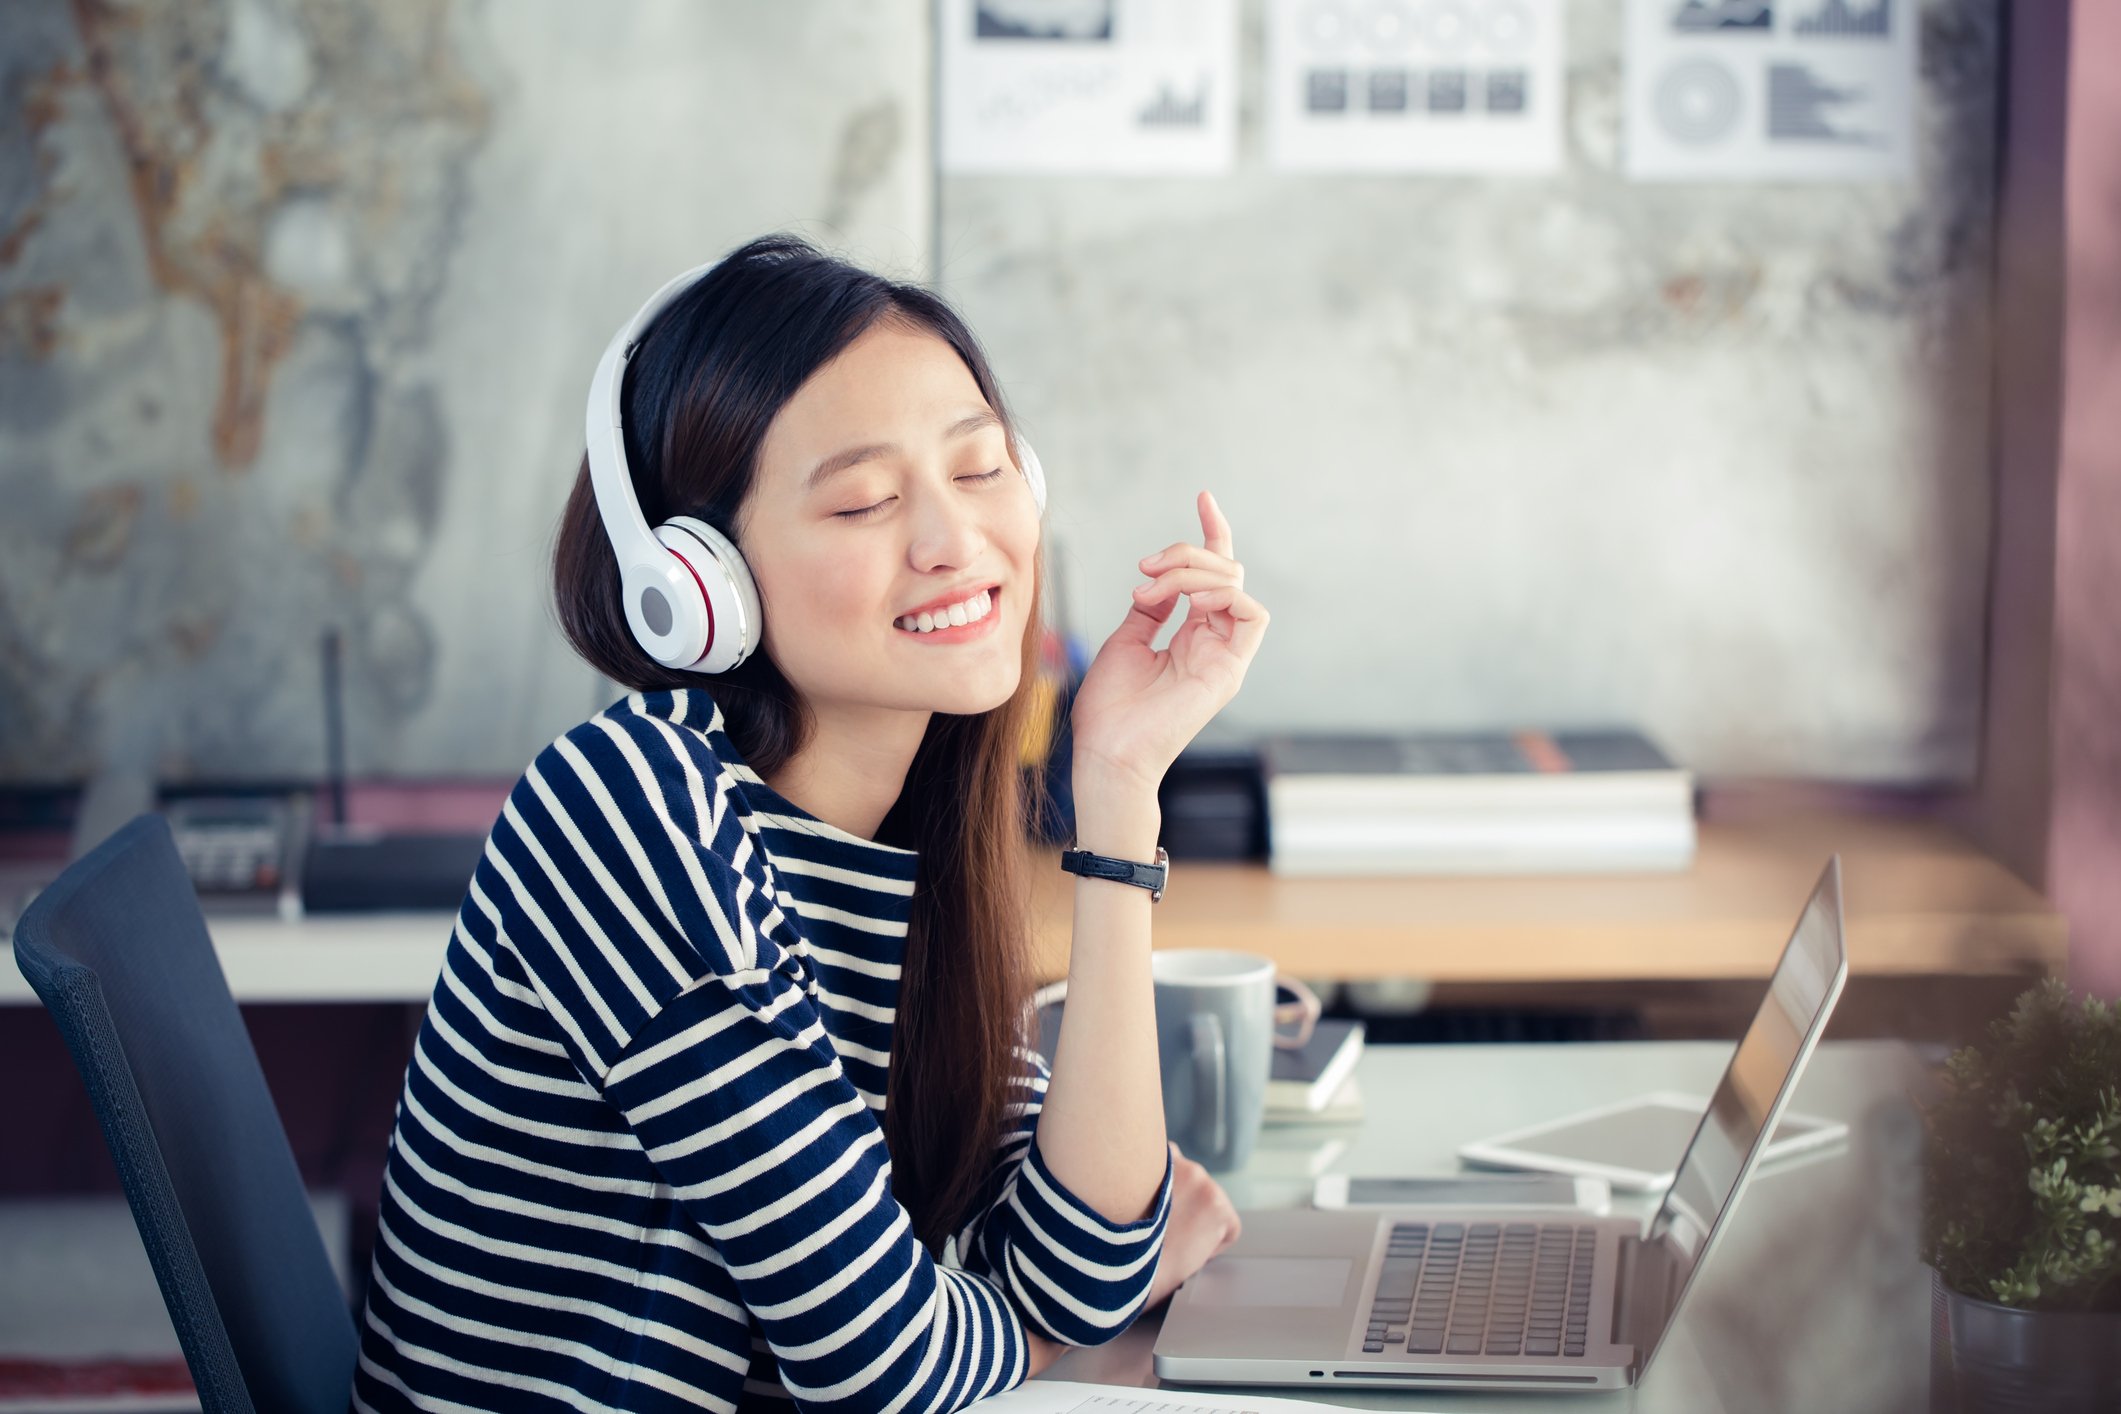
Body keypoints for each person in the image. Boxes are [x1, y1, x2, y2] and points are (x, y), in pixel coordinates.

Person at [351, 234, 1272, 1413]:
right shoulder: (630, 815)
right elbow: (880, 1362)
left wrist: (1121, 780)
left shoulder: (900, 829)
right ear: (699, 585)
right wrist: (1033, 1341)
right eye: (866, 499)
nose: (954, 541)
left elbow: (1083, 1262)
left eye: (982, 470)